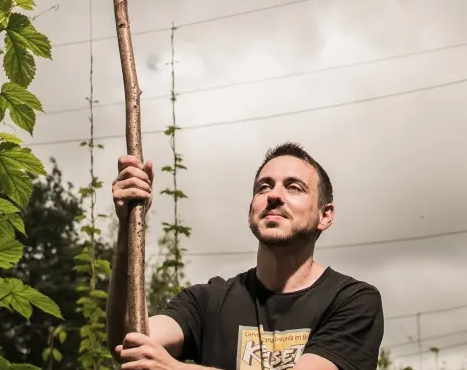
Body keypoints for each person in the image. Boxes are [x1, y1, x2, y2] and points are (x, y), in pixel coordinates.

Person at [108, 142, 384, 370]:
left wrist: (173, 368)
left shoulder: (352, 301)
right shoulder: (207, 301)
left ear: (325, 215)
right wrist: (128, 226)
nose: (274, 195)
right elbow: (129, 339)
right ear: (251, 208)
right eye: (264, 186)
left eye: (293, 187)